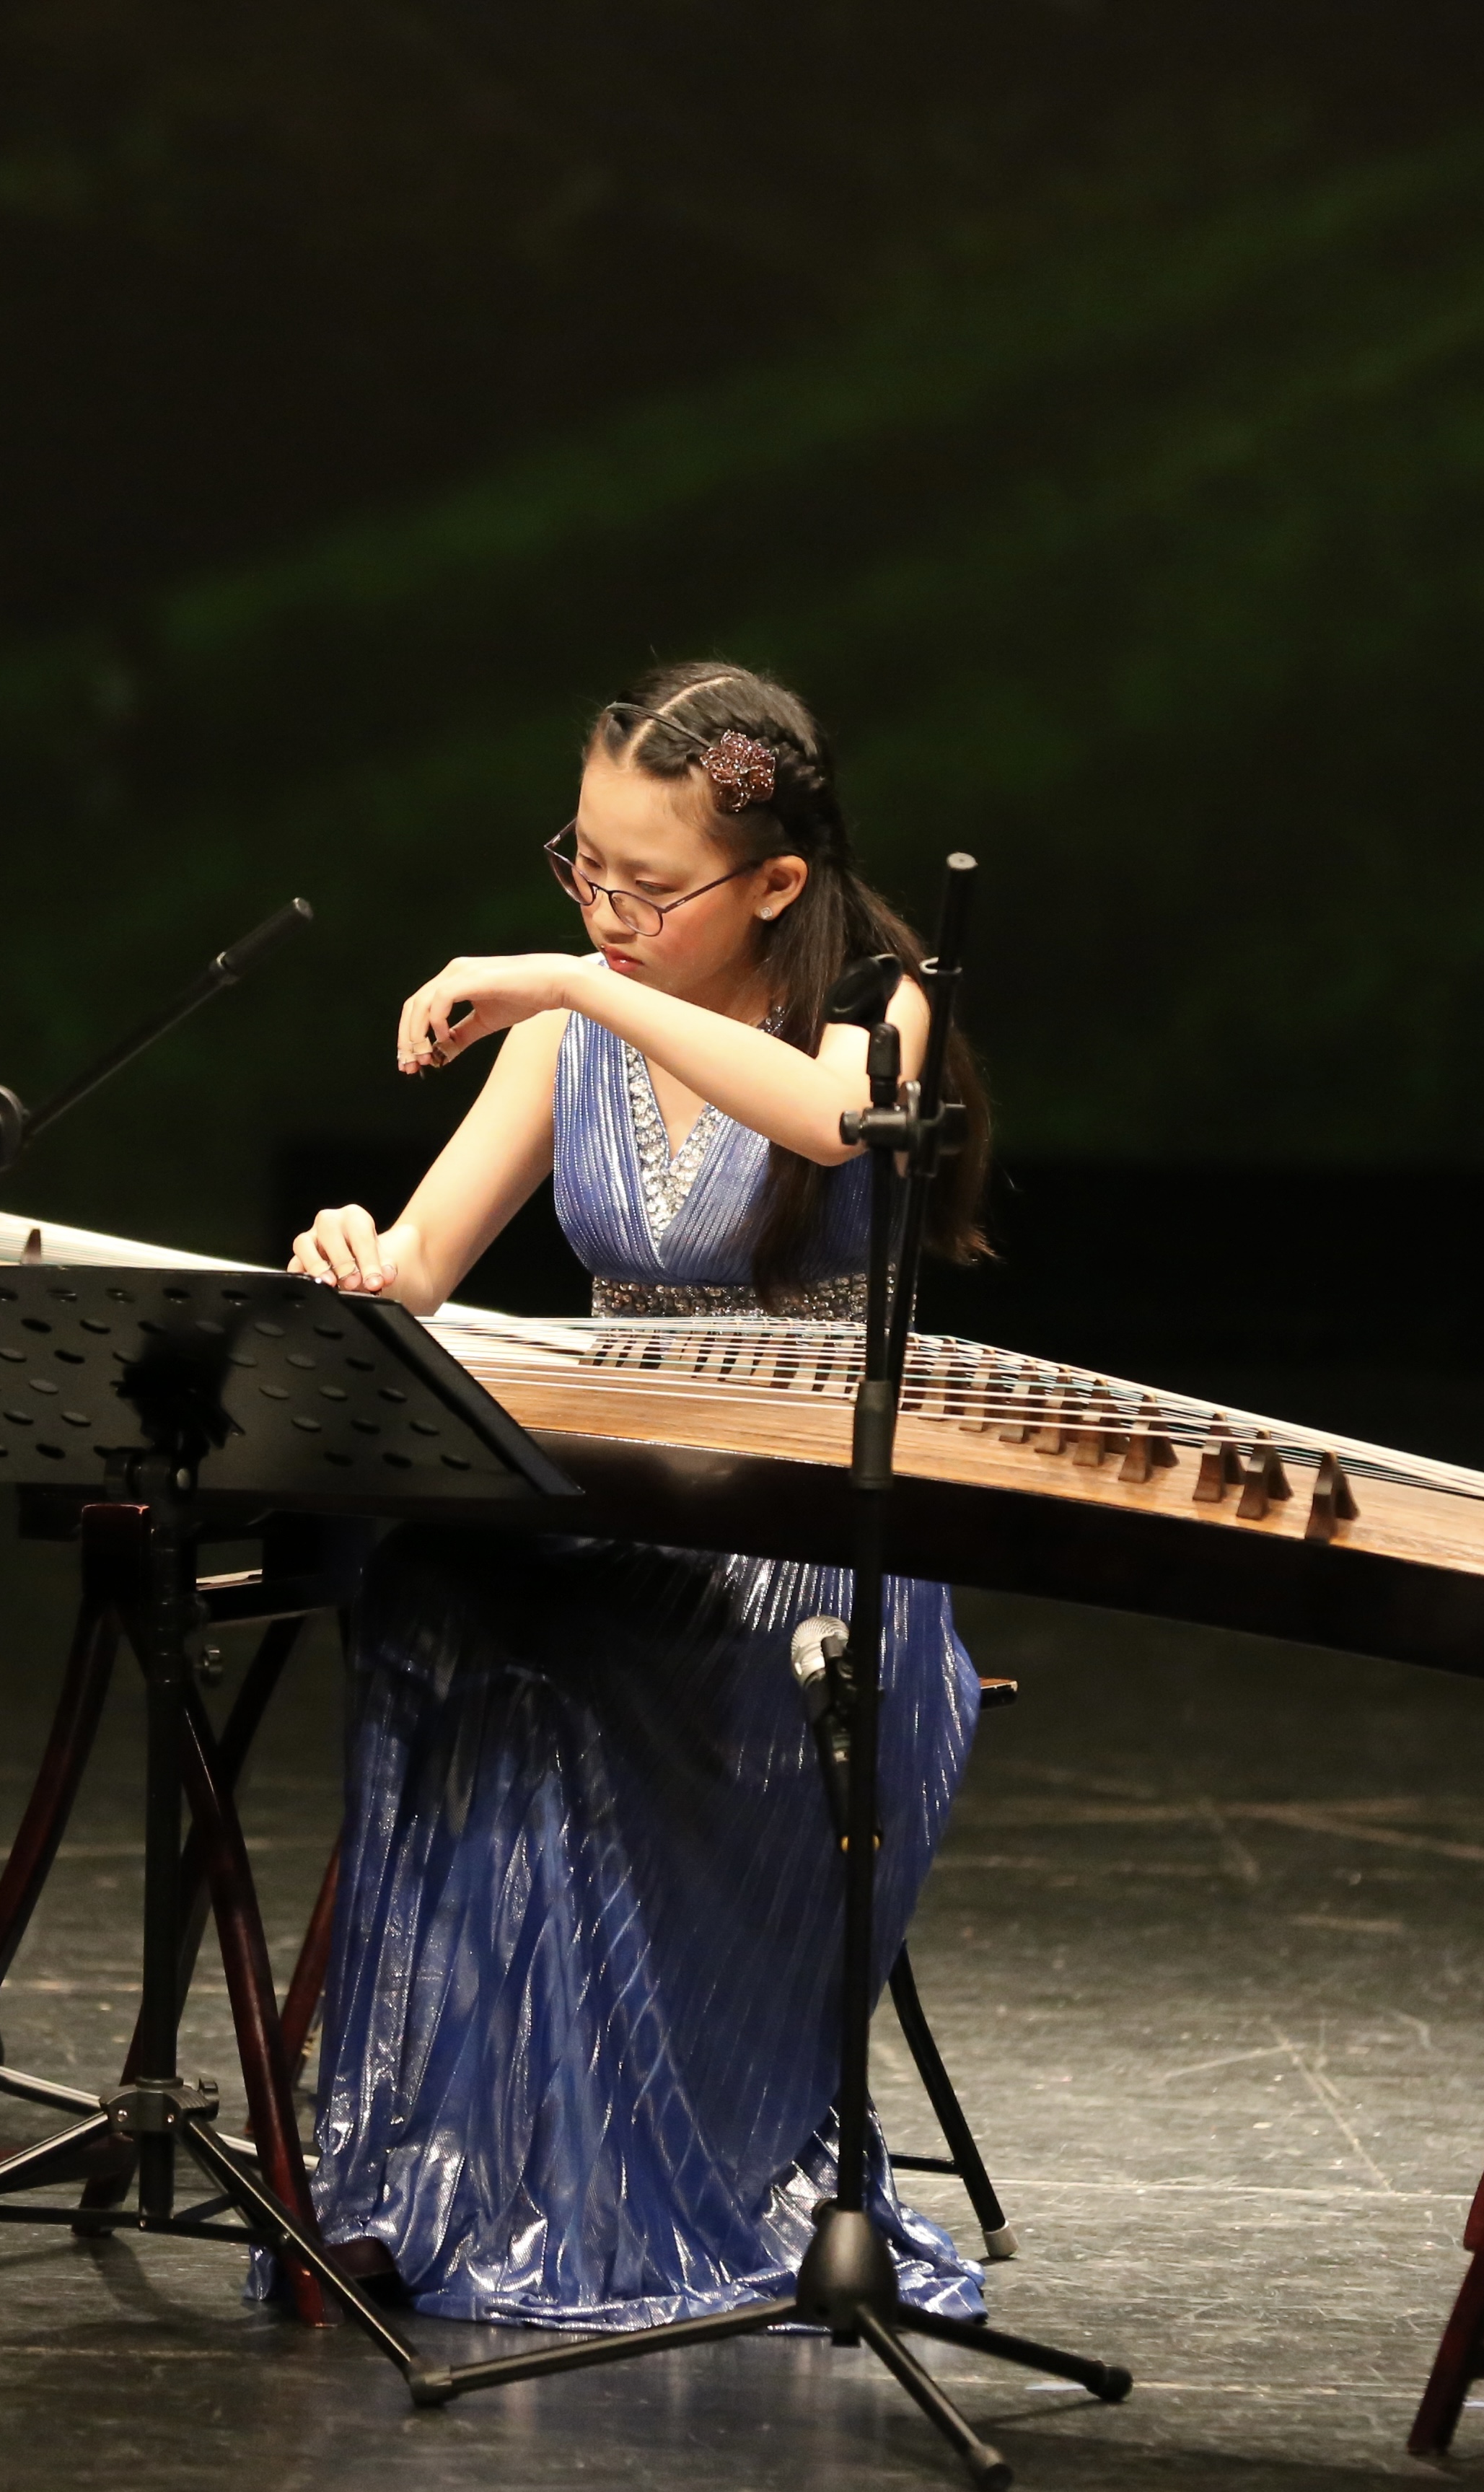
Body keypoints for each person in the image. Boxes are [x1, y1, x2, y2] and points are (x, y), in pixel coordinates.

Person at [281, 662, 989, 2329]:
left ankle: (620, 2180)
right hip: (621, 1504)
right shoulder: (579, 1021)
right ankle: (455, 2172)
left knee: (571, 1663)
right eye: (580, 867)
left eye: (643, 885)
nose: (601, 909)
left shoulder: (881, 1006)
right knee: (442, 1602)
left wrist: (567, 986)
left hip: (810, 1545)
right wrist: (356, 1261)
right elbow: (422, 1270)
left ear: (778, 884)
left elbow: (829, 1122)